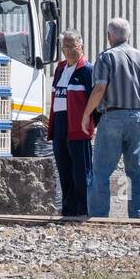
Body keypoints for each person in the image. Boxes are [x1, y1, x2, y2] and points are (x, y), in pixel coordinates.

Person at [82, 18, 140, 220]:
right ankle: (137, 215)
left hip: (112, 117)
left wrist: (87, 114)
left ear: (109, 36)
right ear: (129, 36)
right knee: (137, 171)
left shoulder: (106, 57)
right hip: (137, 117)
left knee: (101, 171)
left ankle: (99, 215)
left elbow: (99, 88)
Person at [50, 31, 94, 216]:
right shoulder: (60, 68)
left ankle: (85, 209)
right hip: (60, 124)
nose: (69, 50)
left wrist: (91, 123)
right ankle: (68, 210)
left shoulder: (87, 70)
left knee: (81, 171)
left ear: (81, 46)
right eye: (65, 47)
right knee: (64, 167)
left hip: (78, 126)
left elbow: (95, 100)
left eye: (73, 46)